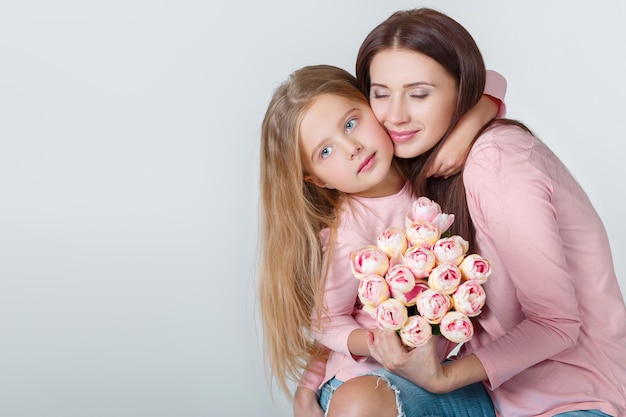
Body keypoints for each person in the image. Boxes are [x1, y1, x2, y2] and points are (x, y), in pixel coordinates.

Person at [323, 8, 626, 417]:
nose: (395, 116)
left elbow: (556, 323)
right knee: (356, 403)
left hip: (576, 396)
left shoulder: (497, 161)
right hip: (496, 392)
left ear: (462, 91)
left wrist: (442, 379)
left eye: (419, 93)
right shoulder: (427, 168)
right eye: (381, 93)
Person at [258, 65, 506, 417]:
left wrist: (468, 127)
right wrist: (374, 342)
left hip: (441, 377)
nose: (353, 148)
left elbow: (491, 79)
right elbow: (326, 320)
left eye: (350, 123)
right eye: (325, 152)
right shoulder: (349, 234)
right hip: (368, 379)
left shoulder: (430, 166)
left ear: (373, 107)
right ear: (318, 180)